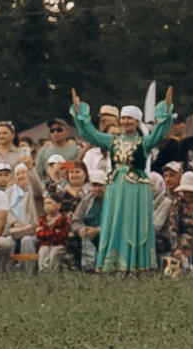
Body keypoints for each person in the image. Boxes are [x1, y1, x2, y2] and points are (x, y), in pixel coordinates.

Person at [69, 96, 173, 271]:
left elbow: (158, 134)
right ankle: (114, 262)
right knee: (115, 221)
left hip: (137, 187)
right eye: (123, 118)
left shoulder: (144, 142)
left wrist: (165, 113)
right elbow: (91, 134)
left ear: (137, 121)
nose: (125, 122)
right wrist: (80, 115)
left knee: (134, 222)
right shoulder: (112, 140)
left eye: (129, 118)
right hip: (116, 186)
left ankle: (137, 263)